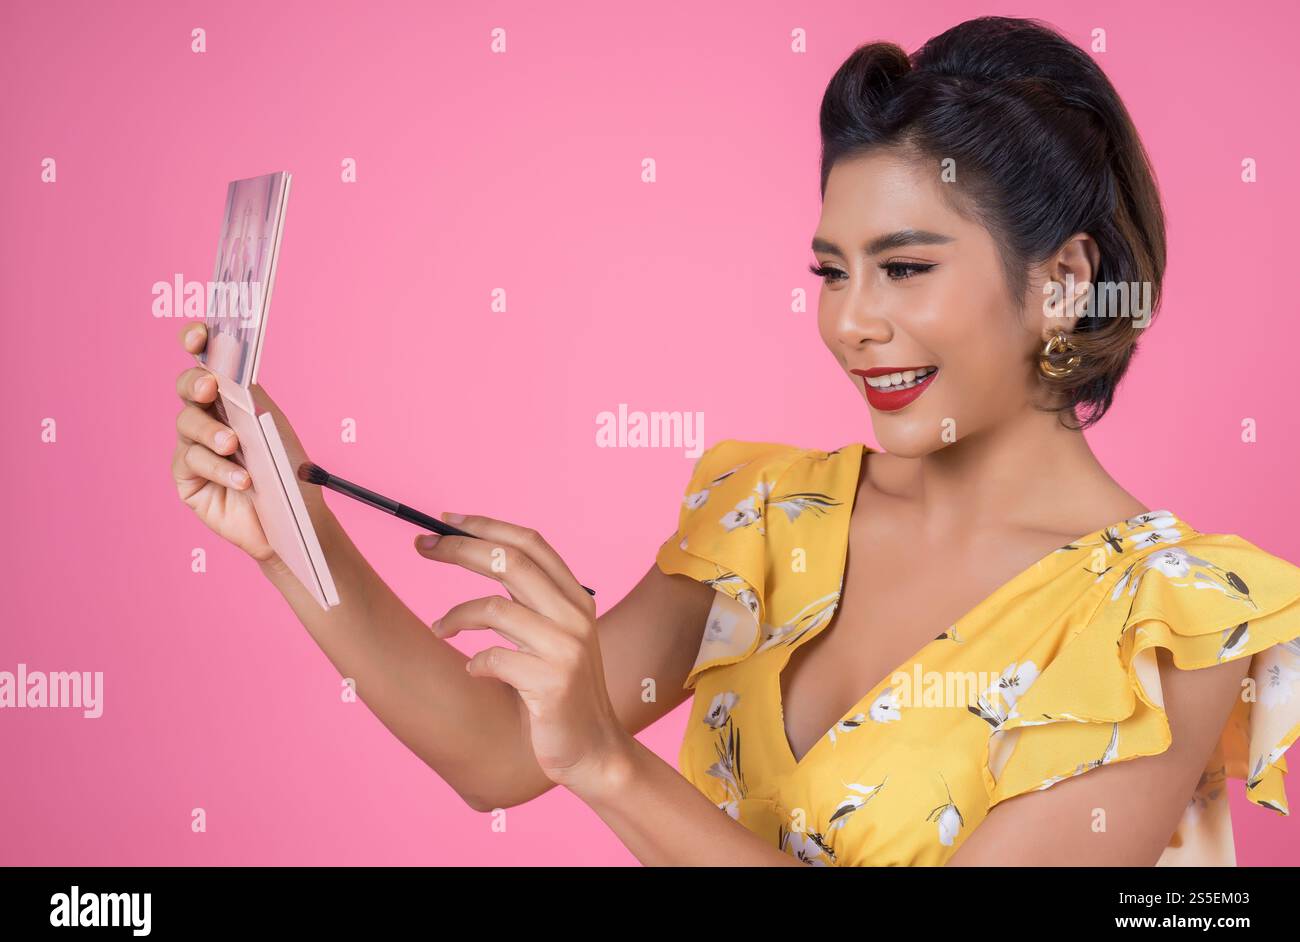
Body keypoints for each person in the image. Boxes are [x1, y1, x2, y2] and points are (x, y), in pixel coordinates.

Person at [170, 16, 1300, 866]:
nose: (851, 318)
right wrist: (287, 526)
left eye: (904, 267)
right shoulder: (770, 518)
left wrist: (610, 766)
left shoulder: (1169, 621)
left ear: (1061, 284)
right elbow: (497, 748)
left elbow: (581, 756)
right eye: (830, 270)